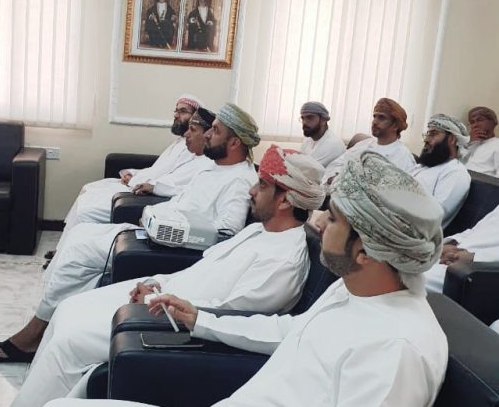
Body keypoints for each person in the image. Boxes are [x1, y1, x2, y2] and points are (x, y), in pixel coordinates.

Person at [49, 151, 448, 407]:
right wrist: (201, 320)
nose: (320, 224)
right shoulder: (354, 290)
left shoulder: (397, 350)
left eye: (334, 219)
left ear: (366, 252)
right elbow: (287, 330)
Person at [10, 146, 326, 407]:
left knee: (68, 342)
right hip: (160, 299)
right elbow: (199, 273)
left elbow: (225, 316)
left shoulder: (285, 261)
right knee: (67, 308)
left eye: (263, 186)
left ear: (285, 200)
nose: (252, 191)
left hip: (171, 324)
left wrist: (157, 299)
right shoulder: (259, 231)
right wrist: (157, 283)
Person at [0, 103, 262, 365]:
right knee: (79, 235)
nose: (208, 134)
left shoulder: (240, 180)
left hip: (171, 247)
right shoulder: (215, 167)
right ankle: (47, 323)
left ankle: (32, 336)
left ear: (234, 142)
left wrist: (170, 229)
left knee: (78, 253)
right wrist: (155, 215)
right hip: (152, 232)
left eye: (216, 130)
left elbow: (227, 234)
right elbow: (184, 200)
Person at [44, 95, 203, 263]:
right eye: (176, 111)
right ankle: (61, 249)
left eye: (183, 111)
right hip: (138, 183)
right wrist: (132, 173)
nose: (176, 115)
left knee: (85, 208)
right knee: (88, 188)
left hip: (144, 193)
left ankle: (63, 256)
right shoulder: (179, 142)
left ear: (195, 118)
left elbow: (171, 181)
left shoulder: (195, 151)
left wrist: (136, 181)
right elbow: (156, 170)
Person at [322, 97, 416, 185]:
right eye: (374, 116)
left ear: (395, 125)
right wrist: (336, 177)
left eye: (381, 117)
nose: (374, 122)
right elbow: (336, 164)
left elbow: (393, 189)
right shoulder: (363, 144)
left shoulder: (403, 157)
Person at [410, 113, 471, 228]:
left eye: (433, 134)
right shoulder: (422, 166)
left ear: (451, 139)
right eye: (427, 134)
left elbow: (434, 216)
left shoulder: (455, 172)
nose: (426, 139)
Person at [425, 204, 499, 293]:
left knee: (411, 278)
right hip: (450, 257)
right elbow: (476, 230)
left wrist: (474, 258)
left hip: (477, 273)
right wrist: (451, 243)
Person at [298, 101, 345, 167]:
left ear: (323, 120)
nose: (304, 122)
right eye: (303, 118)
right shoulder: (308, 140)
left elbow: (305, 169)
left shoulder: (333, 143)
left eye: (310, 118)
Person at [462, 106, 499, 177]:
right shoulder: (470, 144)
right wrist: (469, 142)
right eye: (472, 122)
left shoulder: (497, 144)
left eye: (480, 120)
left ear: (493, 122)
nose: (475, 125)